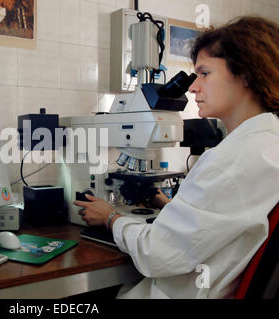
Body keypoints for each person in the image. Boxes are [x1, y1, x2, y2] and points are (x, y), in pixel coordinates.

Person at [74, 16, 279, 299]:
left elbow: (156, 254)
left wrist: (110, 217)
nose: (193, 87)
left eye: (205, 74)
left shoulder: (231, 159)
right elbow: (230, 224)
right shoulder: (268, 144)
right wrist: (169, 205)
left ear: (245, 73)